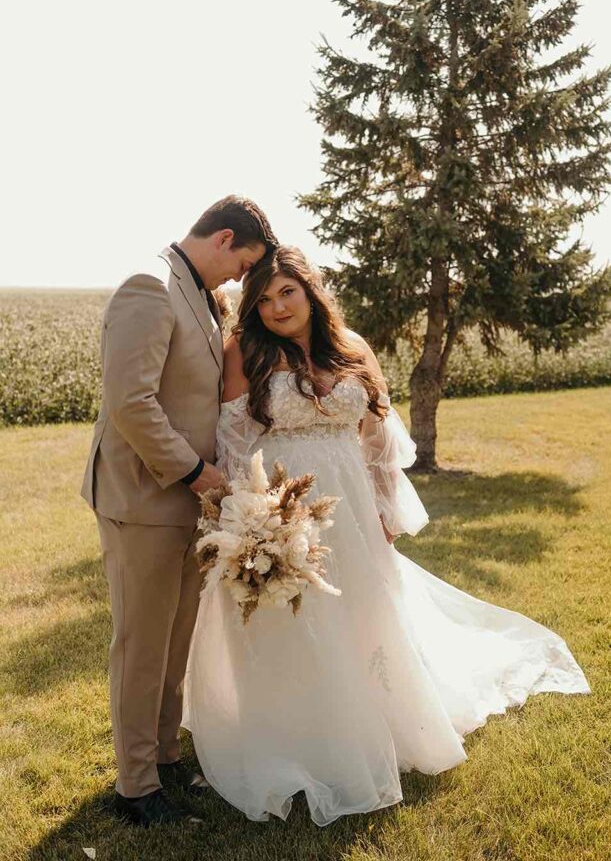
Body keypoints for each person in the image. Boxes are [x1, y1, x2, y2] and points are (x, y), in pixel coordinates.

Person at [182, 246, 590, 827]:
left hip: (350, 501)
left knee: (366, 611)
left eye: (287, 293)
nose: (276, 308)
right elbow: (233, 439)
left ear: (310, 291)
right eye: (265, 299)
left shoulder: (352, 348)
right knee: (290, 616)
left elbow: (378, 440)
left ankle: (377, 718)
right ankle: (297, 731)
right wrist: (252, 515)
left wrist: (384, 511)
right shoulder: (244, 352)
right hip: (285, 504)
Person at [81, 195, 276, 826]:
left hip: (191, 502)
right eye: (243, 265)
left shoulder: (198, 292)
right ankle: (135, 787)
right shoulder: (149, 287)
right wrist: (197, 474)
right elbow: (132, 404)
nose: (240, 281)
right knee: (142, 643)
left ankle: (164, 756)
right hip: (144, 497)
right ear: (222, 239)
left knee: (175, 637)